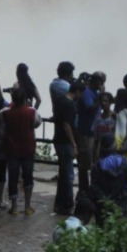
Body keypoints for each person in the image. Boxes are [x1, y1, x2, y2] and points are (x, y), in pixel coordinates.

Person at [0, 85, 39, 216]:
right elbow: (36, 124)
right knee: (28, 176)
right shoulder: (31, 112)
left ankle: (14, 207)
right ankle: (27, 206)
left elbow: (2, 127)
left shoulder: (5, 113)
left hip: (11, 149)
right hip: (28, 148)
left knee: (13, 177)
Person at [49, 62, 77, 216]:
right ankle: (67, 203)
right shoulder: (64, 89)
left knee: (63, 171)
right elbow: (67, 125)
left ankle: (61, 203)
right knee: (67, 174)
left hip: (58, 133)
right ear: (67, 74)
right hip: (64, 138)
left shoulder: (53, 84)